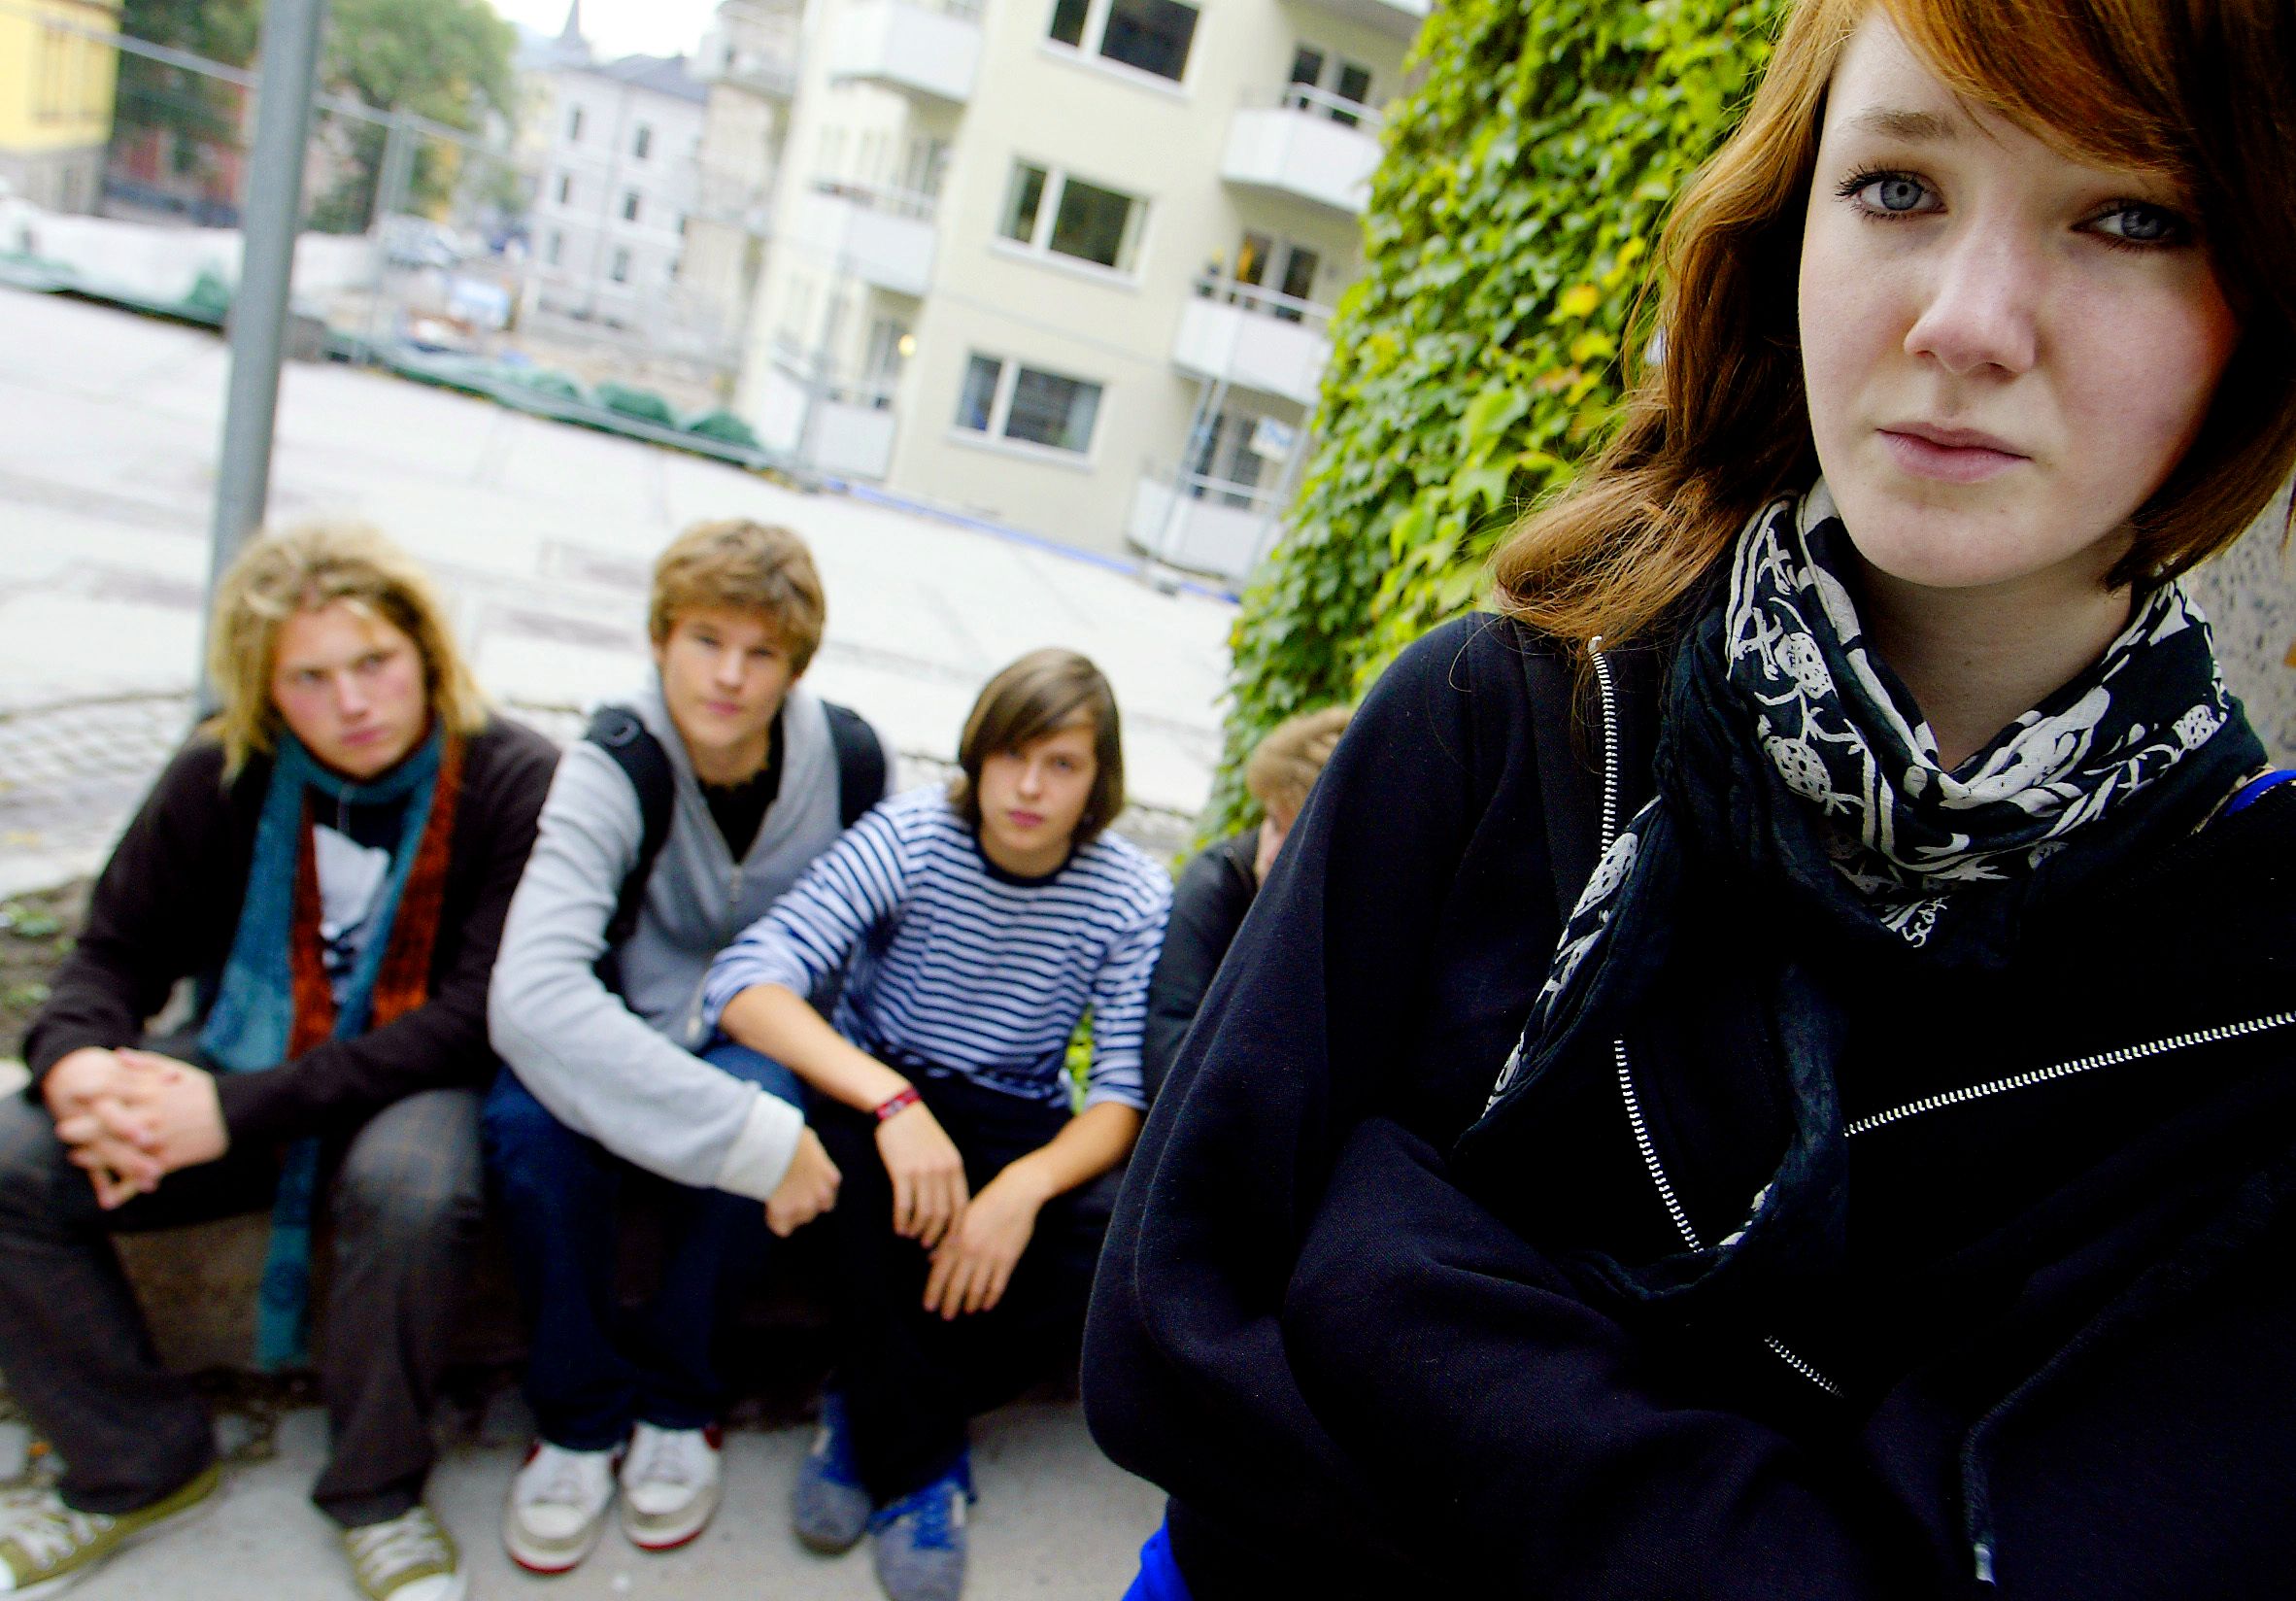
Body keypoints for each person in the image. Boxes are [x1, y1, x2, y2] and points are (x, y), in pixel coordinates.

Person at [1083, 0, 2296, 1594]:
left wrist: (1386, 1270)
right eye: (1897, 188)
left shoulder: (2252, 979)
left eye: (2129, 216)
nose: (1967, 322)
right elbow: (1173, 1333)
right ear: (1790, 219)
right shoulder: (1507, 717)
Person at [0, 524, 557, 1601]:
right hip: (246, 1048)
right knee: (11, 1157)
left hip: (411, 1076)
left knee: (411, 1189)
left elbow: (474, 1017)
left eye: (374, 662)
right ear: (264, 686)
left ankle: (377, 1491)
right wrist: (75, 1066)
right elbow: (113, 952)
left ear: (426, 652)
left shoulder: (511, 779)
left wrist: (232, 1112)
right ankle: (135, 1461)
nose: (352, 702)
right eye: (309, 677)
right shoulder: (223, 771)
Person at [704, 648, 1172, 1601]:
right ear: (976, 754)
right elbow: (745, 981)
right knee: (850, 1178)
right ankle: (922, 1466)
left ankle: (864, 1405)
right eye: (1011, 755)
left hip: (1014, 1112)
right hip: (884, 1087)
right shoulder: (915, 834)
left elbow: (1120, 1094)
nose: (1029, 787)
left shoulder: (1129, 893)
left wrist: (1021, 1190)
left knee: (1114, 1234)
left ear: (1098, 780)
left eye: (1061, 764)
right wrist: (893, 1102)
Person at [482, 518, 886, 1573]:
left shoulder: (849, 759)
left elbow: (879, 939)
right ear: (662, 637)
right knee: (528, 1129)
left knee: (775, 1099)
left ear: (795, 667)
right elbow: (531, 994)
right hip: (614, 1021)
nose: (730, 677)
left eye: (762, 653)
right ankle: (576, 1417)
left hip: (763, 1027)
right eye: (706, 640)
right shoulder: (617, 759)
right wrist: (749, 1137)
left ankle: (679, 1401)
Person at [1141, 705, 1351, 1099]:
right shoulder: (1219, 881)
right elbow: (1167, 1046)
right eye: (1274, 822)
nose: (1271, 853)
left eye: (1299, 840)